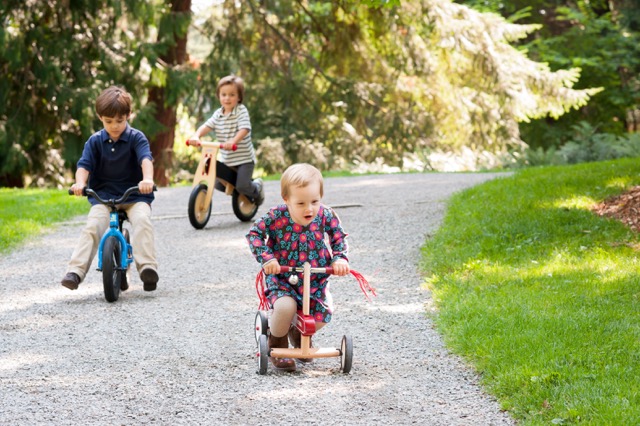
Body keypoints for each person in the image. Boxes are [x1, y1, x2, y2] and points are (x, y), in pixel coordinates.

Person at [246, 163, 350, 371]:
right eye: (301, 203)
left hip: (315, 279)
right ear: (286, 199)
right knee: (286, 307)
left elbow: (338, 237)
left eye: (314, 201)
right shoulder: (277, 216)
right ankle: (277, 340)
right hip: (283, 278)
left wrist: (340, 259)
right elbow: (254, 234)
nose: (309, 208)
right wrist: (268, 259)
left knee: (324, 313)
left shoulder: (326, 215)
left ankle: (298, 333)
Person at [61, 85, 159, 292]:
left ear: (128, 115)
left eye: (119, 121)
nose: (114, 126)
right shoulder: (95, 141)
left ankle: (147, 268)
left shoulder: (136, 138)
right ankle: (75, 271)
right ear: (100, 117)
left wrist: (147, 179)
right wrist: (80, 183)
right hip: (104, 197)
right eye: (108, 121)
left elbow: (145, 159)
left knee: (142, 221)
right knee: (92, 227)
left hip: (135, 195)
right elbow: (84, 166)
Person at [187, 75, 264, 206]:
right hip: (228, 159)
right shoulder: (218, 114)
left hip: (244, 160)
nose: (227, 98)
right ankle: (239, 194)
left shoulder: (241, 110)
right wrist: (196, 135)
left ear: (239, 97)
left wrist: (233, 141)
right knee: (218, 183)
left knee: (242, 185)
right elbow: (207, 126)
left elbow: (244, 129)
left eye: (232, 94)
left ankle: (256, 189)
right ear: (219, 96)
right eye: (224, 94)